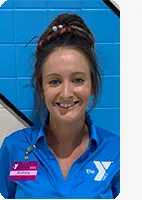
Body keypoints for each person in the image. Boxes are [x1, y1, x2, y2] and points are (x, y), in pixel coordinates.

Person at [0, 13, 120, 199]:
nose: (66, 93)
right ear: (41, 89)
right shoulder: (13, 147)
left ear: (93, 86)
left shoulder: (118, 152)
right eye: (54, 81)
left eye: (78, 80)